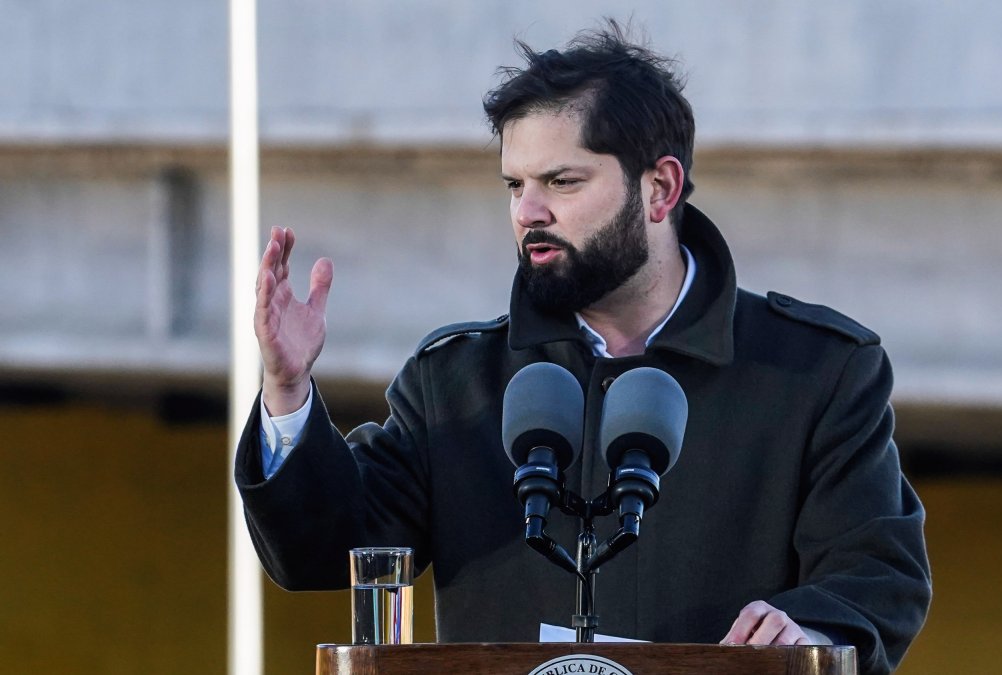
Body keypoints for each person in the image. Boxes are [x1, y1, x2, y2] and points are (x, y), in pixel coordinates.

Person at [235, 24, 931, 674]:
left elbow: (880, 572)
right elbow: (327, 550)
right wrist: (287, 389)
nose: (528, 211)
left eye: (562, 182)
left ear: (660, 188)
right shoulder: (454, 380)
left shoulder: (816, 371)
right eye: (516, 185)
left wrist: (803, 630)